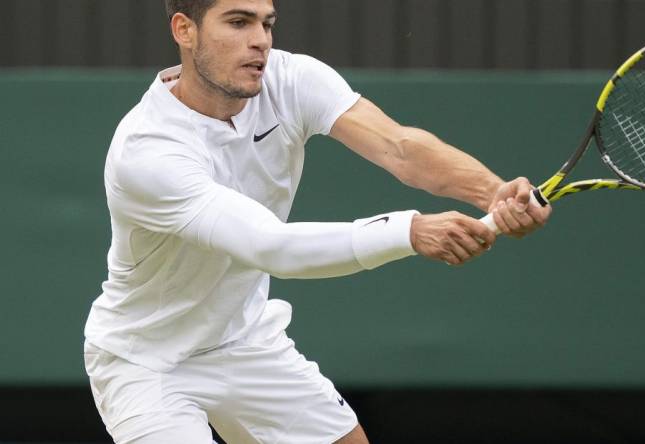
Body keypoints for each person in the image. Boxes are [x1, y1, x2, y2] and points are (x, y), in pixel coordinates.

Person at [83, 0, 552, 442]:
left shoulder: (291, 79)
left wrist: (494, 193)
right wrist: (408, 231)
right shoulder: (148, 150)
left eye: (267, 23)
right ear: (184, 30)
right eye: (238, 22)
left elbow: (401, 148)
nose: (260, 40)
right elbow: (270, 246)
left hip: (243, 340)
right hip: (145, 362)